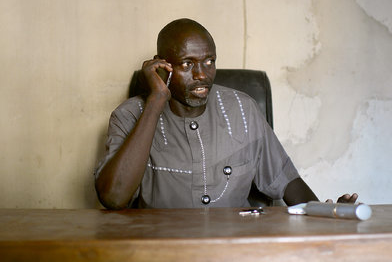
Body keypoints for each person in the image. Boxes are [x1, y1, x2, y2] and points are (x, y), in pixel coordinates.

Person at [94, 18, 358, 209]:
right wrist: (155, 101)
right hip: (162, 249)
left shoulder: (243, 109)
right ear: (161, 66)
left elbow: (285, 180)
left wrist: (328, 213)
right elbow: (113, 198)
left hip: (235, 247)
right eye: (187, 64)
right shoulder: (129, 115)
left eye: (209, 61)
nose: (201, 75)